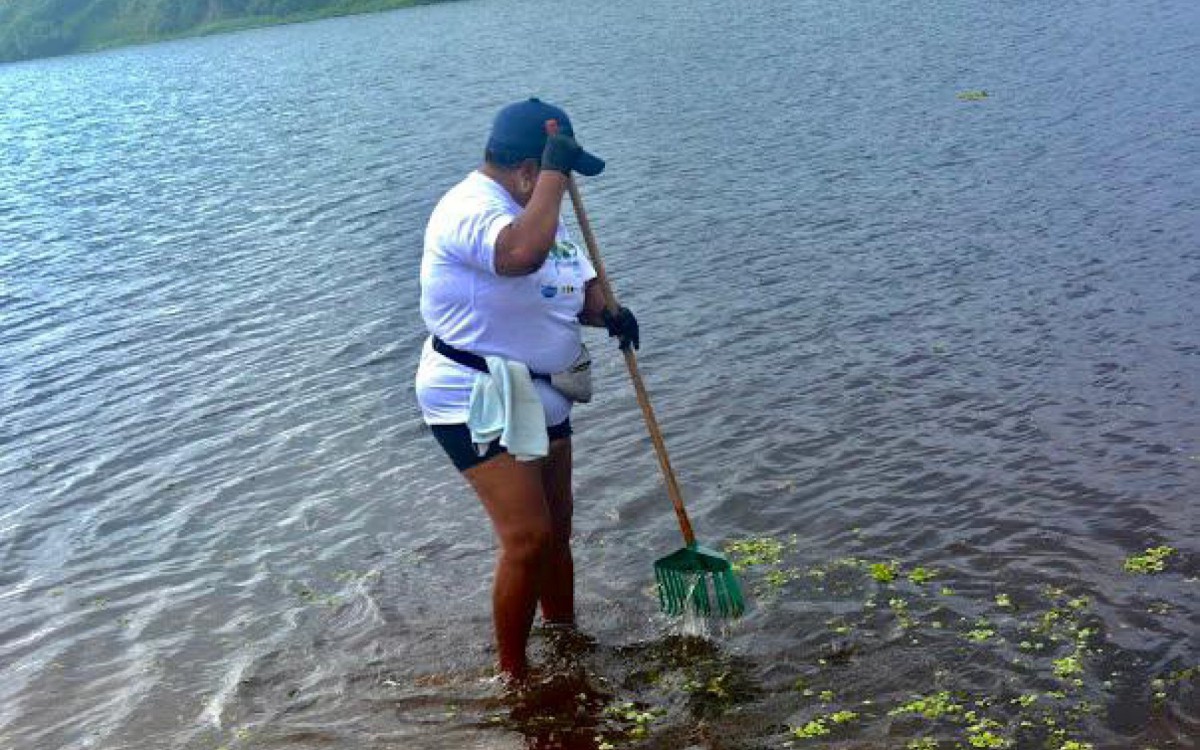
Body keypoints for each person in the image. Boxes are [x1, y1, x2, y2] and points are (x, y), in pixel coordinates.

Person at [415, 98, 639, 683]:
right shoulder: (467, 209)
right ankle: (514, 677)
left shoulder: (537, 206)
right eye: (556, 175)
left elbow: (571, 278)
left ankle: (565, 640)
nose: (562, 192)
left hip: (546, 389)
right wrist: (552, 184)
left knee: (556, 533)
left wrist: (609, 312)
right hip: (474, 394)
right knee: (528, 537)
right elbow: (520, 255)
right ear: (525, 171)